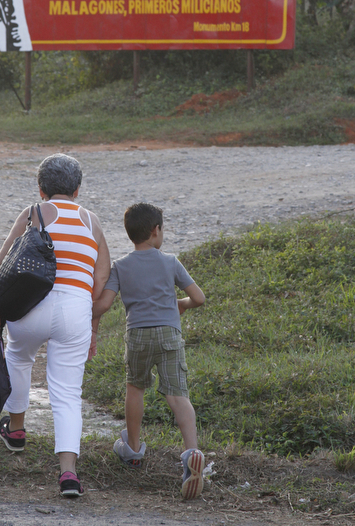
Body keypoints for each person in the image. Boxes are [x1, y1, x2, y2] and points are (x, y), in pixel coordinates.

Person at [0, 154, 110, 498]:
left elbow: (3, 259)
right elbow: (102, 282)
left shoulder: (33, 214)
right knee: (67, 392)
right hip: (75, 311)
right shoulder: (92, 222)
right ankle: (68, 474)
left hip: (31, 304)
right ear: (78, 190)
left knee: (19, 356)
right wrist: (93, 326)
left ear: (41, 189)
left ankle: (18, 429)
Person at [91, 202, 206, 500]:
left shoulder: (121, 266)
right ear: (156, 231)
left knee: (136, 388)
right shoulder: (170, 261)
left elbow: (103, 304)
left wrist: (84, 311)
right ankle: (191, 453)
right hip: (169, 334)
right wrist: (181, 304)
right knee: (178, 394)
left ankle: (132, 448)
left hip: (138, 336)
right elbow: (199, 297)